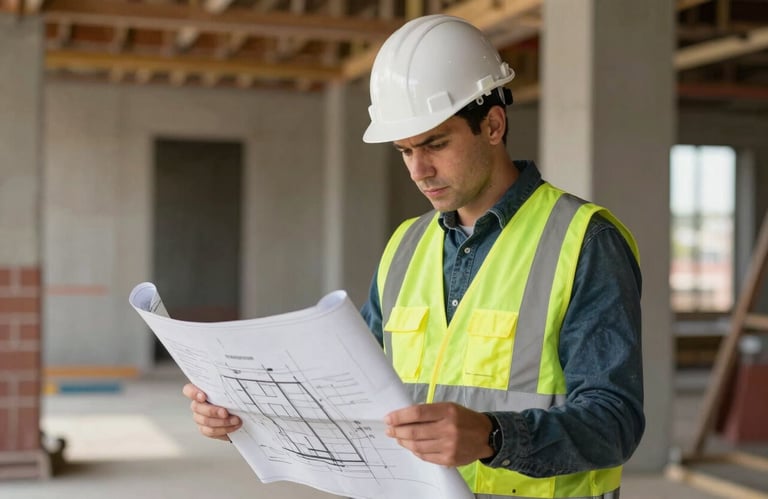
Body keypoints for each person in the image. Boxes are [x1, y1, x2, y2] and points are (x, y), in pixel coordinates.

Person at [182, 14, 644, 499]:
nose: (420, 170)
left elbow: (615, 422)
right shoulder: (405, 245)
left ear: (492, 124)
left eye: (436, 144)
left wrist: (493, 436)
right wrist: (245, 414)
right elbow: (351, 390)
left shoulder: (584, 241)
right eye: (405, 151)